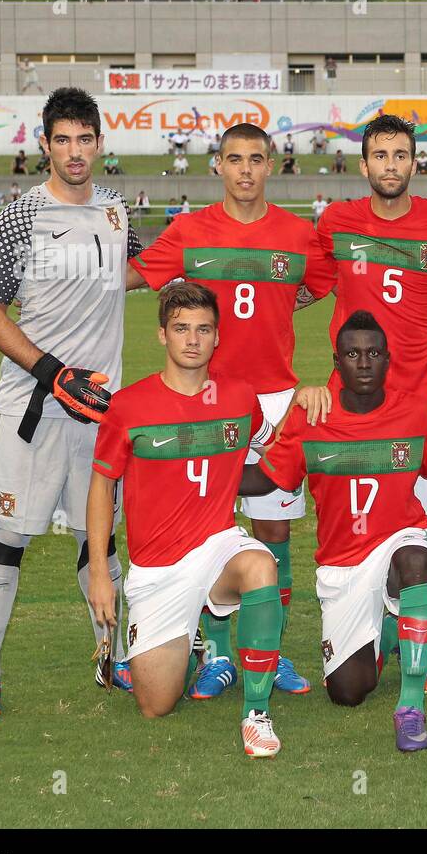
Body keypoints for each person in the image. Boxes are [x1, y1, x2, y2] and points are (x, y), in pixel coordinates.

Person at [129, 121, 338, 697]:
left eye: (256, 159)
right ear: (217, 166)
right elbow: (137, 277)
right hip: (204, 398)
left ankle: (265, 654)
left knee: (273, 528)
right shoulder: (190, 230)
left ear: (271, 166)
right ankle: (218, 655)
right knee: (206, 530)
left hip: (273, 398)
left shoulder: (297, 234)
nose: (245, 169)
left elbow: (319, 285)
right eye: (234, 159)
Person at [0, 87, 144, 724]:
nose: (74, 152)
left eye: (84, 139)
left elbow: (143, 272)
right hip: (31, 406)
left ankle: (112, 652)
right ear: (44, 144)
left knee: (98, 539)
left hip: (102, 413)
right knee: (9, 536)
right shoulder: (19, 216)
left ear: (100, 142)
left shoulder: (118, 212)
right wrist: (52, 371)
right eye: (61, 140)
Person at [240, 312, 427, 751]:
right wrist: (193, 471)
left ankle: (410, 705)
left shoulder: (414, 412)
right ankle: (385, 633)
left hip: (400, 542)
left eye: (373, 354)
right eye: (352, 354)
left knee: (416, 559)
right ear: (336, 361)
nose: (363, 363)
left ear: (388, 360)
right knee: (347, 693)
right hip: (342, 564)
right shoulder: (312, 417)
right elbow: (267, 480)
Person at [86, 282, 286, 756]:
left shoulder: (240, 397)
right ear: (162, 336)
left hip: (218, 547)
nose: (192, 339)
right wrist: (99, 571)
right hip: (158, 569)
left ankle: (256, 713)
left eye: (203, 329)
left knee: (261, 567)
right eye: (181, 329)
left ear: (218, 337)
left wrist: (313, 405)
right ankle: (192, 639)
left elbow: (276, 446)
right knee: (157, 705)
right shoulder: (129, 406)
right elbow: (100, 485)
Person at [311, 114, 427, 690]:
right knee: (352, 515)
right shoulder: (336, 221)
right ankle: (363, 628)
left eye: (401, 155)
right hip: (353, 402)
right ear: (364, 163)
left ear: (415, 161)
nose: (391, 166)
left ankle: (424, 650)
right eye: (381, 155)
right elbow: (315, 279)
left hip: (421, 396)